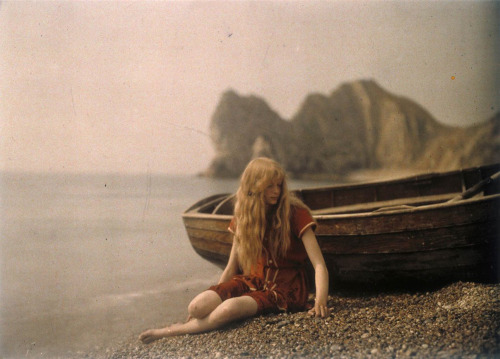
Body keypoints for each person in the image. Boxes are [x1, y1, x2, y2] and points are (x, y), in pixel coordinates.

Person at [139, 157, 330, 344]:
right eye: (270, 186)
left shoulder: (296, 213)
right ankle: (194, 320)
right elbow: (231, 268)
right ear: (254, 187)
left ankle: (169, 331)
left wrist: (320, 301)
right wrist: (218, 292)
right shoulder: (244, 217)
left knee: (227, 309)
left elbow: (319, 264)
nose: (277, 191)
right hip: (252, 281)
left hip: (285, 289)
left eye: (279, 185)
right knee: (197, 307)